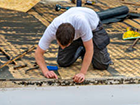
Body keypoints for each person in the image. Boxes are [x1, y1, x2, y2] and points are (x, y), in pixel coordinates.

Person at [35, 7, 112, 83]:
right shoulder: (52, 29)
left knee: (101, 65)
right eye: (60, 45)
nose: (62, 47)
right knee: (63, 62)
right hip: (76, 28)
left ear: (72, 39)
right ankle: (81, 49)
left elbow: (89, 49)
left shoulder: (82, 23)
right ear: (56, 37)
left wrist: (82, 73)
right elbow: (38, 53)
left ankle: (85, 46)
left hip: (93, 26)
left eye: (66, 45)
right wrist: (46, 71)